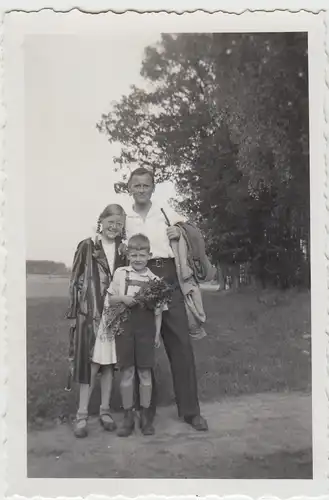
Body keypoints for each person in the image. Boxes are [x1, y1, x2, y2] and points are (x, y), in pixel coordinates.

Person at [125, 167, 208, 431]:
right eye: (136, 185)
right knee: (143, 349)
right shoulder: (124, 218)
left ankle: (191, 412)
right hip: (139, 278)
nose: (141, 190)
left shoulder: (165, 212)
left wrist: (179, 233)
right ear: (129, 188)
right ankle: (146, 413)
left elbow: (192, 233)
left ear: (152, 188)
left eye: (146, 185)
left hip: (168, 275)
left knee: (180, 344)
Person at [66, 204, 126, 438]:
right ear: (101, 221)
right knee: (90, 364)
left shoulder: (123, 250)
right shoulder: (87, 246)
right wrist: (73, 313)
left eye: (119, 223)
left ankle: (105, 411)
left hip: (114, 313)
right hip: (91, 313)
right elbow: (74, 280)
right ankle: (82, 415)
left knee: (109, 364)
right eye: (110, 221)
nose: (114, 226)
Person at [107, 233, 165, 437]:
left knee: (145, 374)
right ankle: (128, 416)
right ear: (128, 255)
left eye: (142, 255)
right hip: (125, 328)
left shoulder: (155, 280)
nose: (138, 259)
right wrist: (124, 298)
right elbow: (111, 300)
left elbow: (158, 312)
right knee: (127, 373)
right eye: (134, 255)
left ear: (149, 255)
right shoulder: (120, 273)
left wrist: (157, 334)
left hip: (146, 330)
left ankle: (146, 417)